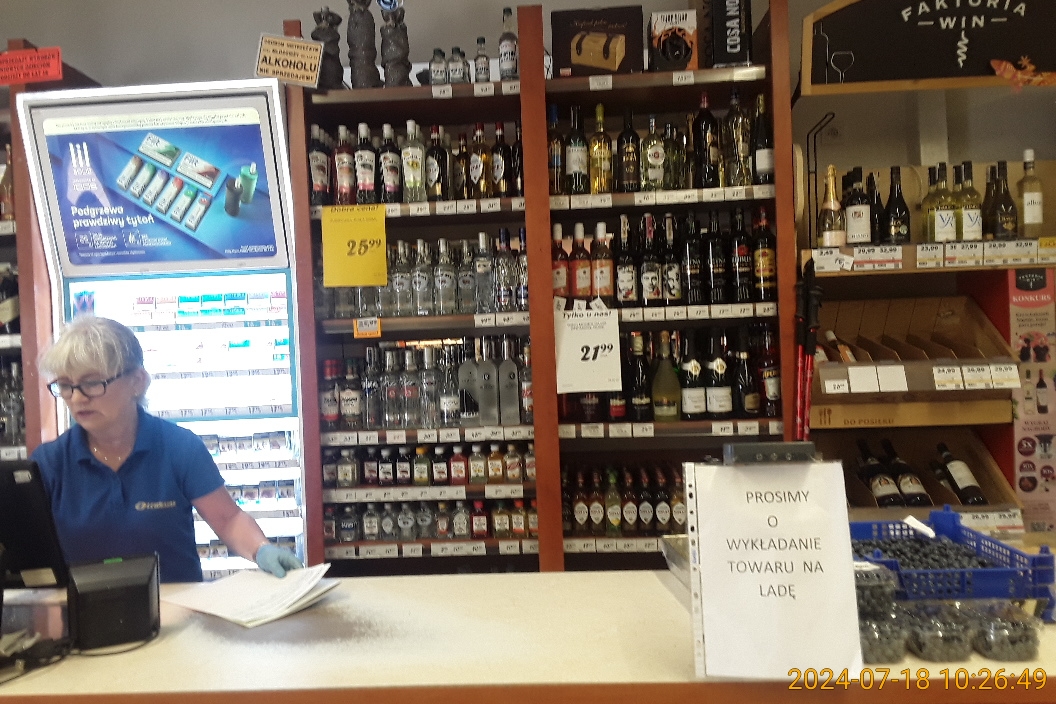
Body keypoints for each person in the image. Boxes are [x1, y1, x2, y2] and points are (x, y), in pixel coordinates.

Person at [30, 316, 302, 583]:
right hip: (85, 608)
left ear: (137, 381)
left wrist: (261, 549)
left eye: (92, 383)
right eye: (65, 385)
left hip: (178, 607)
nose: (77, 397)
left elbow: (228, 519)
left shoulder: (180, 448)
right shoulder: (49, 462)